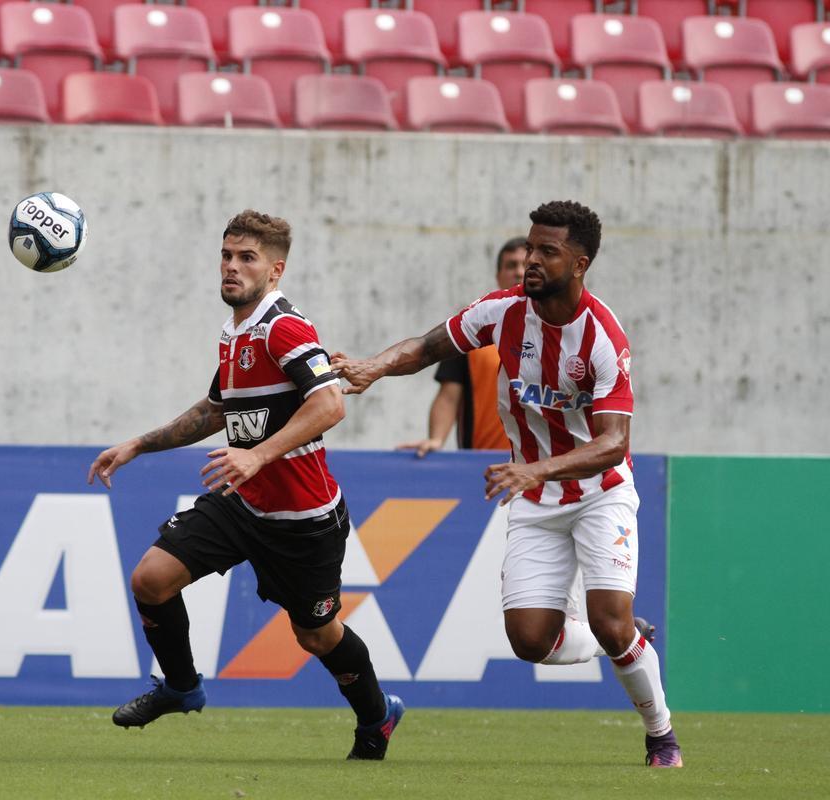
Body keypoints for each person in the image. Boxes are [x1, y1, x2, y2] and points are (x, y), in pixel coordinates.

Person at [331, 201, 683, 768]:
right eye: (529, 247)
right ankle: (618, 633)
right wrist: (374, 365)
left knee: (610, 620)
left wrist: (535, 468)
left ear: (581, 262)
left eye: (547, 251)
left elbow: (614, 443)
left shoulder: (601, 337)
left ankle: (661, 735)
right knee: (528, 641)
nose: (530, 261)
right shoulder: (501, 312)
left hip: (600, 492)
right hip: (537, 497)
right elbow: (427, 348)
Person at [87, 210, 404, 761]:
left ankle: (377, 717)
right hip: (244, 504)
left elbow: (329, 403)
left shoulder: (284, 326)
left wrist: (257, 455)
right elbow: (214, 411)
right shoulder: (234, 332)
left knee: (316, 636)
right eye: (227, 256)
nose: (232, 267)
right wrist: (138, 444)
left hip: (303, 519)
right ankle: (183, 687)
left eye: (247, 258)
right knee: (151, 580)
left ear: (275, 269)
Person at [398, 237, 526, 457]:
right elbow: (449, 395)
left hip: (545, 465)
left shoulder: (562, 331)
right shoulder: (474, 329)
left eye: (527, 265)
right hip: (485, 465)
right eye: (511, 265)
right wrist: (436, 439)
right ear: (498, 276)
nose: (519, 272)